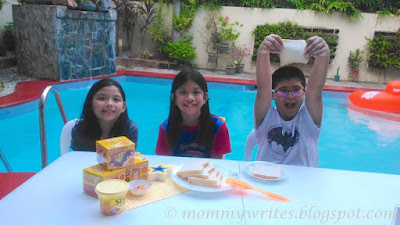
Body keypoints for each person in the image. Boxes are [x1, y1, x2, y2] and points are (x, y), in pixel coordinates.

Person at [254, 34, 330, 167]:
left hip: (303, 184)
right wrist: (263, 52)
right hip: (266, 181)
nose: (290, 96)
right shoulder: (266, 118)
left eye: (296, 89)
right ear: (273, 95)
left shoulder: (309, 120)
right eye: (283, 90)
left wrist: (323, 54)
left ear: (304, 92)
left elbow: (315, 91)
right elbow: (263, 89)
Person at [155, 69, 231, 159]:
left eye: (196, 92)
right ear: (173, 98)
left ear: (205, 97)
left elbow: (216, 166)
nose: (190, 98)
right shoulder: (166, 128)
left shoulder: (218, 127)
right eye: (183, 92)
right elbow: (165, 165)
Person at [71, 78, 138, 151]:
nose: (109, 104)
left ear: (123, 106)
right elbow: (78, 158)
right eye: (102, 98)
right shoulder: (79, 130)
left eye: (116, 99)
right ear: (91, 103)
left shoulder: (130, 130)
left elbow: (127, 159)